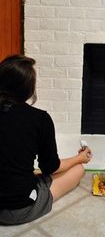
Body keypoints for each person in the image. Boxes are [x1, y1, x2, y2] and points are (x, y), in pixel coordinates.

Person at [0, 54, 92, 225]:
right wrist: (79, 158)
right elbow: (51, 167)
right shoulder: (39, 119)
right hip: (17, 209)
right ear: (29, 88)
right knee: (78, 170)